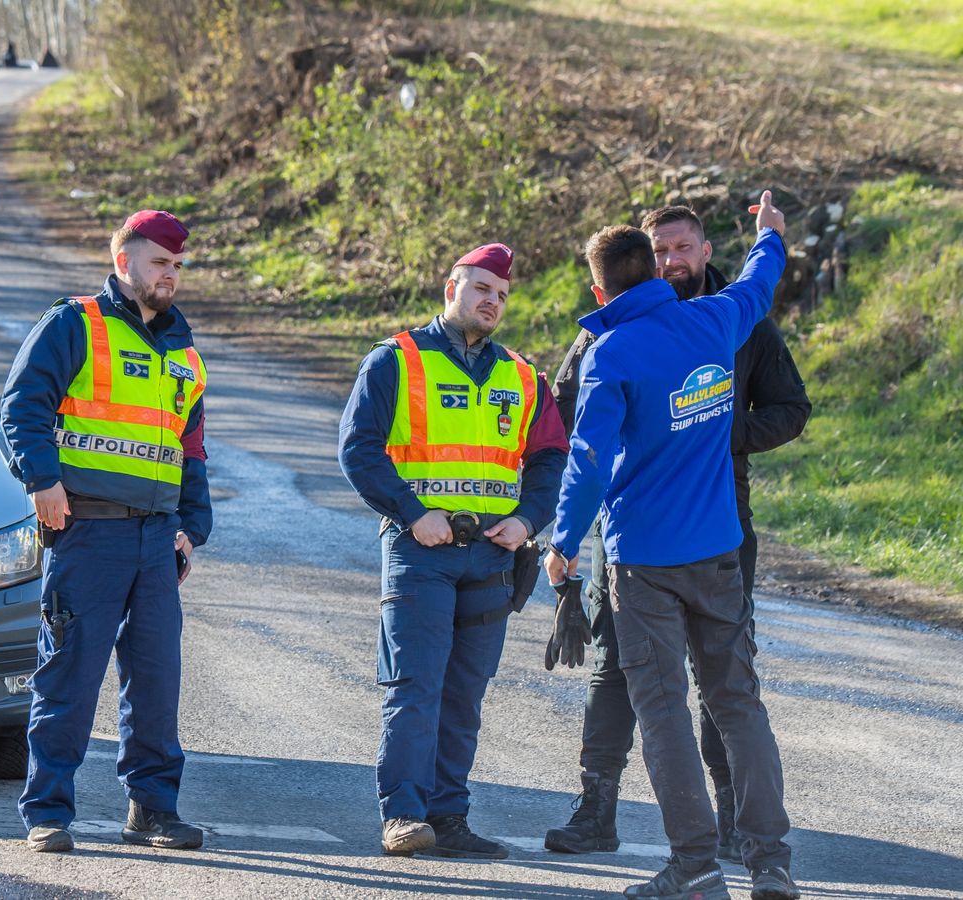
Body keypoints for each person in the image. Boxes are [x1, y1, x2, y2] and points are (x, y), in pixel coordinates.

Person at [545, 192, 799, 900]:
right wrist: (769, 235)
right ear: (655, 274)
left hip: (645, 563)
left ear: (600, 290)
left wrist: (562, 543)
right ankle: (771, 863)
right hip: (719, 549)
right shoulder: (715, 320)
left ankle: (694, 867)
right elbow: (757, 282)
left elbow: (588, 460)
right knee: (737, 702)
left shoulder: (610, 352)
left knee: (661, 711)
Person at [339, 243, 568, 859]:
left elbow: (550, 457)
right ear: (452, 289)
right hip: (421, 554)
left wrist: (527, 520)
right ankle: (405, 817)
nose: (491, 301)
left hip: (492, 557)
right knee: (415, 687)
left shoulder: (522, 376)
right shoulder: (396, 361)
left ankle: (451, 817)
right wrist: (414, 515)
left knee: (466, 694)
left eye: (501, 294)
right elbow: (359, 449)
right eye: (481, 289)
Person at [1, 210, 211, 853]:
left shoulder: (183, 352)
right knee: (68, 675)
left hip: (155, 540)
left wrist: (191, 528)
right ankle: (48, 811)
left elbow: (191, 448)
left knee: (155, 681)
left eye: (176, 266)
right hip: (86, 531)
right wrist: (40, 480)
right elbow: (23, 405)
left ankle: (152, 809)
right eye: (159, 263)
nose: (169, 276)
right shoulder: (74, 325)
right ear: (124, 262)